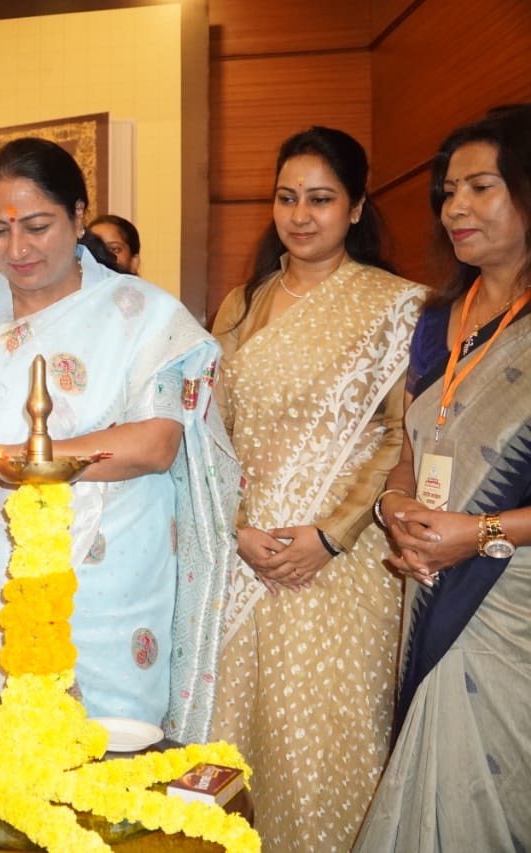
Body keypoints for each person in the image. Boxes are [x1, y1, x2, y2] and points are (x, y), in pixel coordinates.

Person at [0, 137, 239, 742]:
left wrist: (8, 459)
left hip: (111, 577)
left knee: (112, 755)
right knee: (2, 755)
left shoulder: (140, 312)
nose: (17, 249)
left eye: (38, 227)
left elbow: (155, 443)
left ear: (78, 216)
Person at [207, 126, 426, 851]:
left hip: (344, 564)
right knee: (239, 748)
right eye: (287, 197)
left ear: (357, 207)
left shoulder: (399, 307)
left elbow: (398, 437)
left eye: (321, 199)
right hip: (246, 559)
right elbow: (212, 432)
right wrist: (237, 528)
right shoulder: (242, 304)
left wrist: (332, 534)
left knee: (330, 746)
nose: (300, 215)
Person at [355, 104, 531, 852]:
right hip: (431, 584)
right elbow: (410, 445)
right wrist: (395, 504)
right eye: (448, 191)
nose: (456, 207)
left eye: (481, 187)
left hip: (510, 600)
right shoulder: (435, 321)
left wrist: (480, 532)